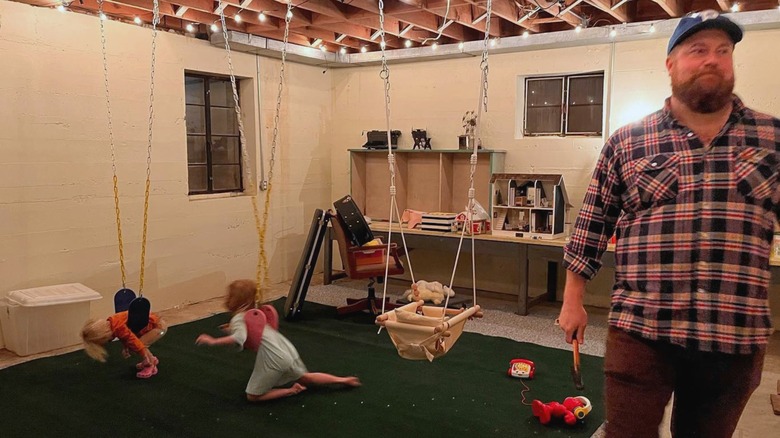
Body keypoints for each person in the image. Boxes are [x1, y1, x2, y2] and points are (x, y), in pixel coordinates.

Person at [558, 10, 778, 438]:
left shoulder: (771, 138)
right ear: (671, 64)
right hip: (642, 331)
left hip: (733, 335)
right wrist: (573, 300)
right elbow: (592, 223)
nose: (712, 59)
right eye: (697, 50)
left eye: (723, 51)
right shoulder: (628, 141)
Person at [195, 279, 361, 402]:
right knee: (306, 377)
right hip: (286, 349)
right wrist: (231, 328)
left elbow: (240, 337)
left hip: (273, 357)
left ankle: (291, 391)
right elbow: (254, 331)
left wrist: (213, 341)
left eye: (229, 296)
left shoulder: (239, 318)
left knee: (253, 396)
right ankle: (343, 380)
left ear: (237, 300)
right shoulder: (255, 311)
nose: (226, 298)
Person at [81, 311, 167, 379]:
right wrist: (126, 347)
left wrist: (143, 354)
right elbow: (127, 336)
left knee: (141, 345)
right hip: (155, 325)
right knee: (139, 345)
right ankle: (151, 359)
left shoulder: (118, 327)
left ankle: (149, 364)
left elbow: (134, 341)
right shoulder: (113, 323)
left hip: (158, 328)